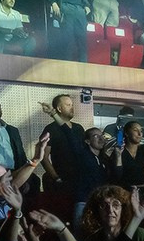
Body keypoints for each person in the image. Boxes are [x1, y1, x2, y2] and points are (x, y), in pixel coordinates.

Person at [40, 94, 110, 228]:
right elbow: (44, 156)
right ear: (59, 108)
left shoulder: (78, 129)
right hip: (64, 180)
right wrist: (56, 178)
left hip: (82, 178)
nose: (72, 108)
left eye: (72, 104)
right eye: (68, 105)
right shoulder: (51, 129)